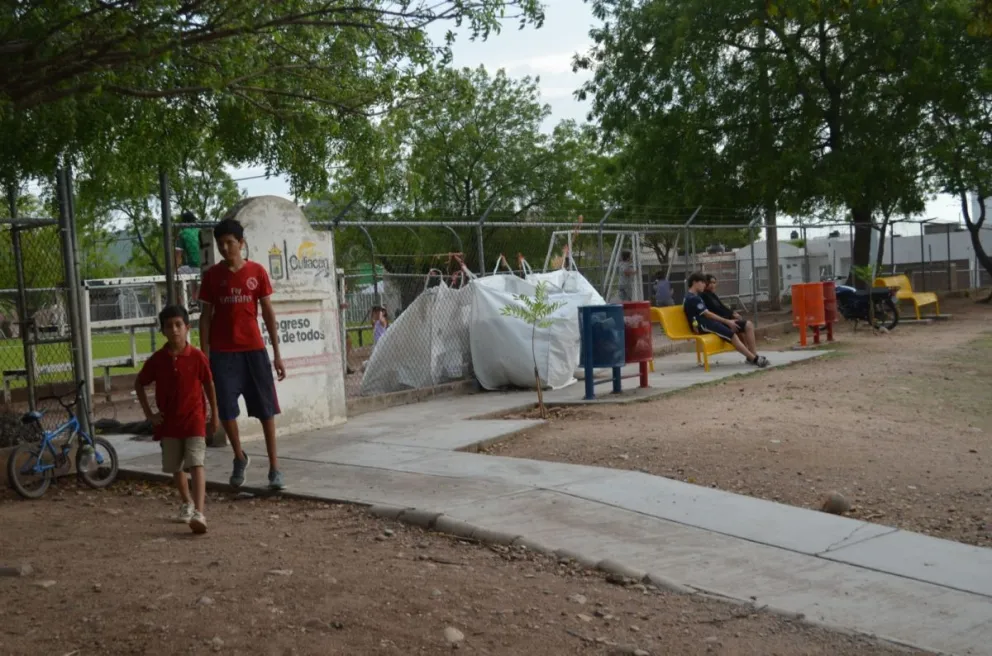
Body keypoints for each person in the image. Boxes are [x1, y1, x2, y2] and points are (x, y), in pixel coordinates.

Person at [199, 218, 287, 490]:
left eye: (230, 243)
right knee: (225, 409)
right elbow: (205, 317)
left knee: (266, 409)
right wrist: (204, 355)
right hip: (223, 354)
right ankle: (239, 456)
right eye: (221, 244)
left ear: (241, 243)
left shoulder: (257, 272)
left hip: (254, 351)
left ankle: (275, 467)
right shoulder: (212, 276)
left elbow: (268, 313)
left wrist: (277, 353)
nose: (226, 248)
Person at [135, 305, 219, 534]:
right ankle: (186, 501)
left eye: (178, 325)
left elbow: (209, 384)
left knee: (196, 462)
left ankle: (200, 512)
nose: (174, 330)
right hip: (169, 423)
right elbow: (140, 383)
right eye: (169, 326)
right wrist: (150, 414)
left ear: (187, 327)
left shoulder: (197, 357)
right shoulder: (158, 360)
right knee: (175, 466)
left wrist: (214, 415)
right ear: (162, 330)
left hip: (194, 420)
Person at [683, 272, 768, 367]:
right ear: (695, 282)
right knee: (732, 335)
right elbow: (707, 314)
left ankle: (753, 356)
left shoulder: (695, 297)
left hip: (710, 323)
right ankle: (755, 359)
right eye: (702, 282)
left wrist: (731, 316)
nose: (705, 284)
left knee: (746, 326)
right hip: (704, 325)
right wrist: (727, 321)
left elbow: (718, 308)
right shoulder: (692, 298)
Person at [701, 274, 762, 359]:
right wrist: (730, 316)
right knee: (748, 325)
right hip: (719, 322)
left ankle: (752, 355)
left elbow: (722, 306)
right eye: (710, 282)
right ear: (705, 283)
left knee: (743, 326)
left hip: (725, 320)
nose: (712, 285)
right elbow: (715, 310)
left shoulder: (712, 294)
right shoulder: (704, 295)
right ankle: (753, 356)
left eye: (714, 283)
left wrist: (733, 313)